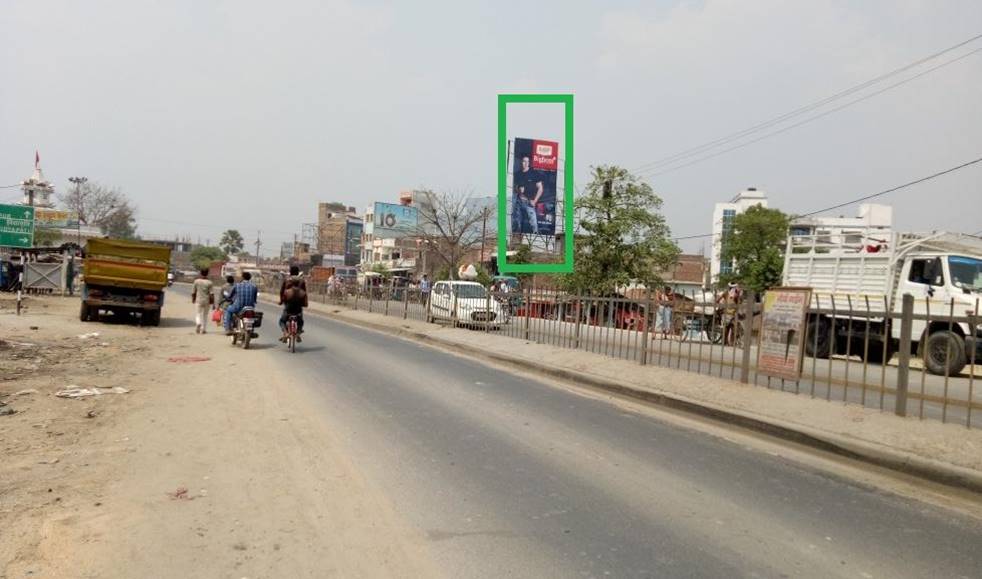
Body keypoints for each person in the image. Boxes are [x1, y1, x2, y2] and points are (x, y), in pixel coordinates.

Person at [512, 155, 543, 234]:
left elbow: (540, 188)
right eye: (524, 161)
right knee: (517, 225)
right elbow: (514, 188)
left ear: (529, 163)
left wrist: (535, 201)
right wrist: (518, 190)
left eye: (527, 161)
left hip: (529, 202)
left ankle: (535, 238)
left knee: (533, 226)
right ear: (521, 162)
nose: (525, 163)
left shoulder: (534, 173)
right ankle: (517, 239)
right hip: (518, 202)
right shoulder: (517, 174)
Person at [278, 266, 308, 340]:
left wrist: (281, 301)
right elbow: (305, 292)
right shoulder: (302, 281)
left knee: (282, 321)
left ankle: (285, 333)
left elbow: (281, 291)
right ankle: (298, 333)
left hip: (288, 305)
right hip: (298, 306)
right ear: (298, 272)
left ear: (290, 272)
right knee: (300, 321)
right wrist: (304, 303)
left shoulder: (287, 280)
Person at [190, 268, 214, 334]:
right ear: (207, 273)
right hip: (207, 300)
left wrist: (193, 299)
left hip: (198, 300)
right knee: (205, 315)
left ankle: (198, 323)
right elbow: (211, 294)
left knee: (198, 314)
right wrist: (212, 302)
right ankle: (203, 329)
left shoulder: (196, 281)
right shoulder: (210, 282)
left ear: (200, 273)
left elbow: (193, 292)